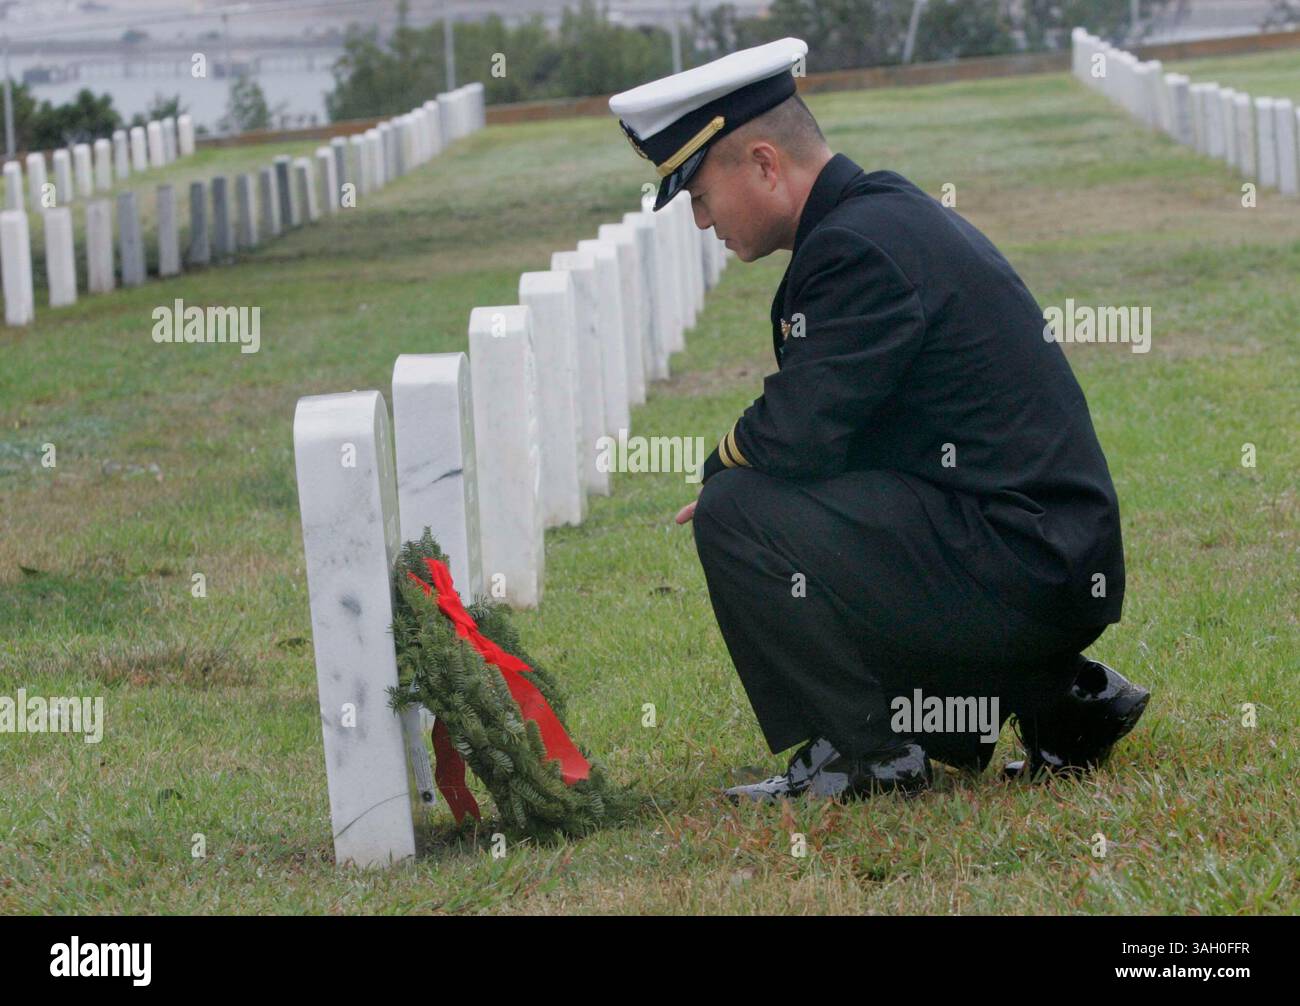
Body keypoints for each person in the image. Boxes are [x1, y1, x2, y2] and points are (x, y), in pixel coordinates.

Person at [608, 38, 1150, 803]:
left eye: (700, 196)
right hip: (1038, 549)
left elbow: (796, 431)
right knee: (797, 507)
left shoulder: (854, 248)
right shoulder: (878, 216)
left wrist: (726, 476)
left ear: (765, 164)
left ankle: (869, 754)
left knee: (737, 513)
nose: (702, 222)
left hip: (1023, 560)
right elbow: (844, 434)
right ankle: (1062, 700)